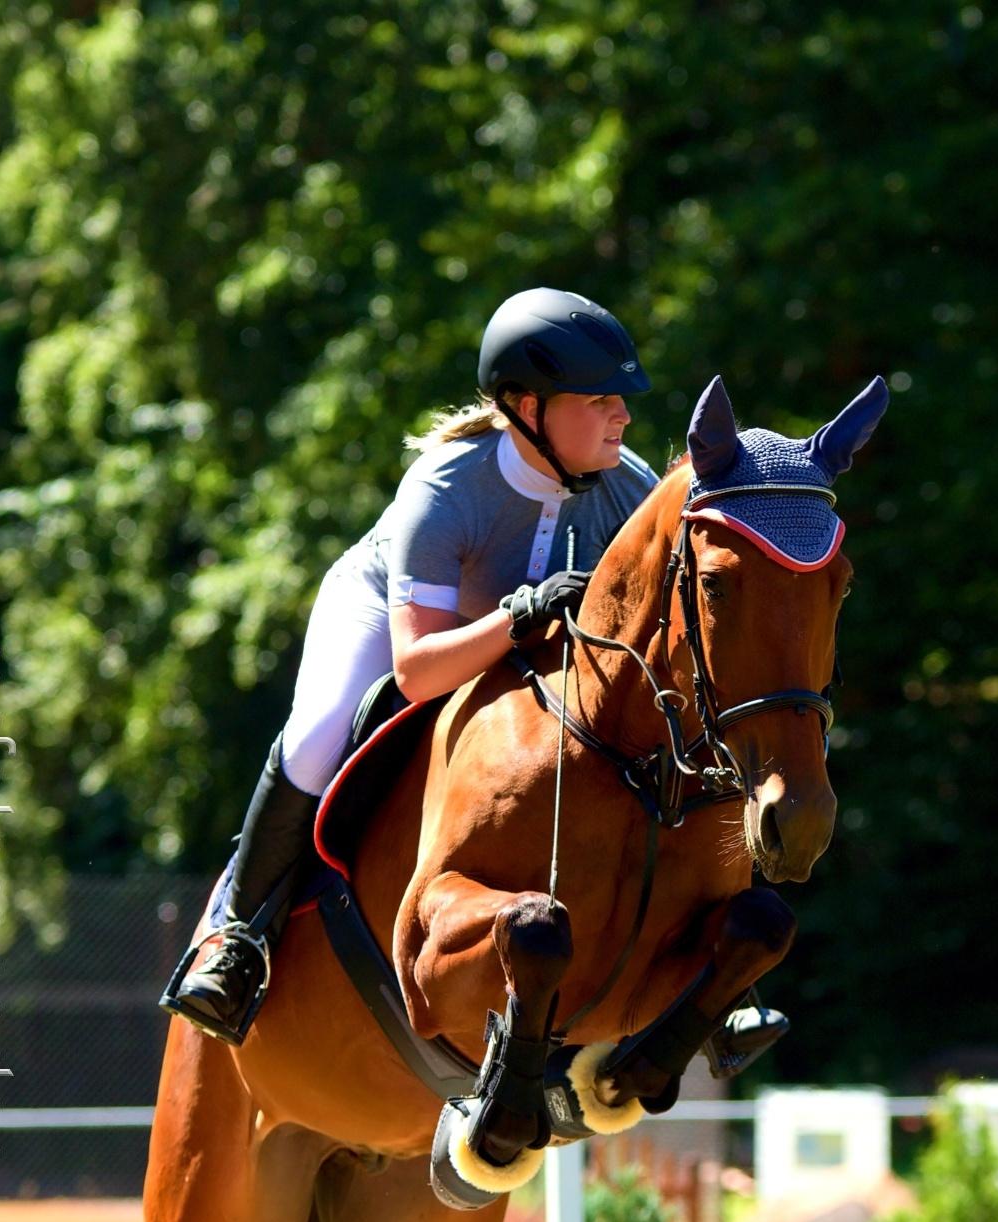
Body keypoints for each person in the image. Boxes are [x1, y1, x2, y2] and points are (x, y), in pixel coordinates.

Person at [164, 286, 658, 1045]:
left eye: (619, 399)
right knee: (319, 733)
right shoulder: (446, 486)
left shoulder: (632, 488)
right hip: (394, 619)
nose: (622, 415)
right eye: (599, 400)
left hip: (516, 639)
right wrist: (520, 615)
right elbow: (419, 673)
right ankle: (238, 938)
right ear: (528, 407)